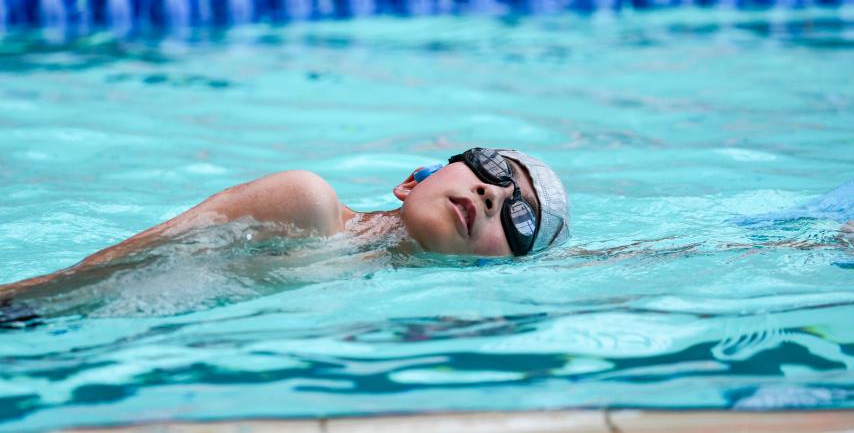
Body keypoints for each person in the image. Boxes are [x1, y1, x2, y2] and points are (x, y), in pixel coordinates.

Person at [0, 147, 569, 315]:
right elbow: (104, 272)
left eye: (522, 221)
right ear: (409, 181)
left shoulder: (392, 306)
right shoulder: (307, 204)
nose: (495, 196)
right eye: (494, 172)